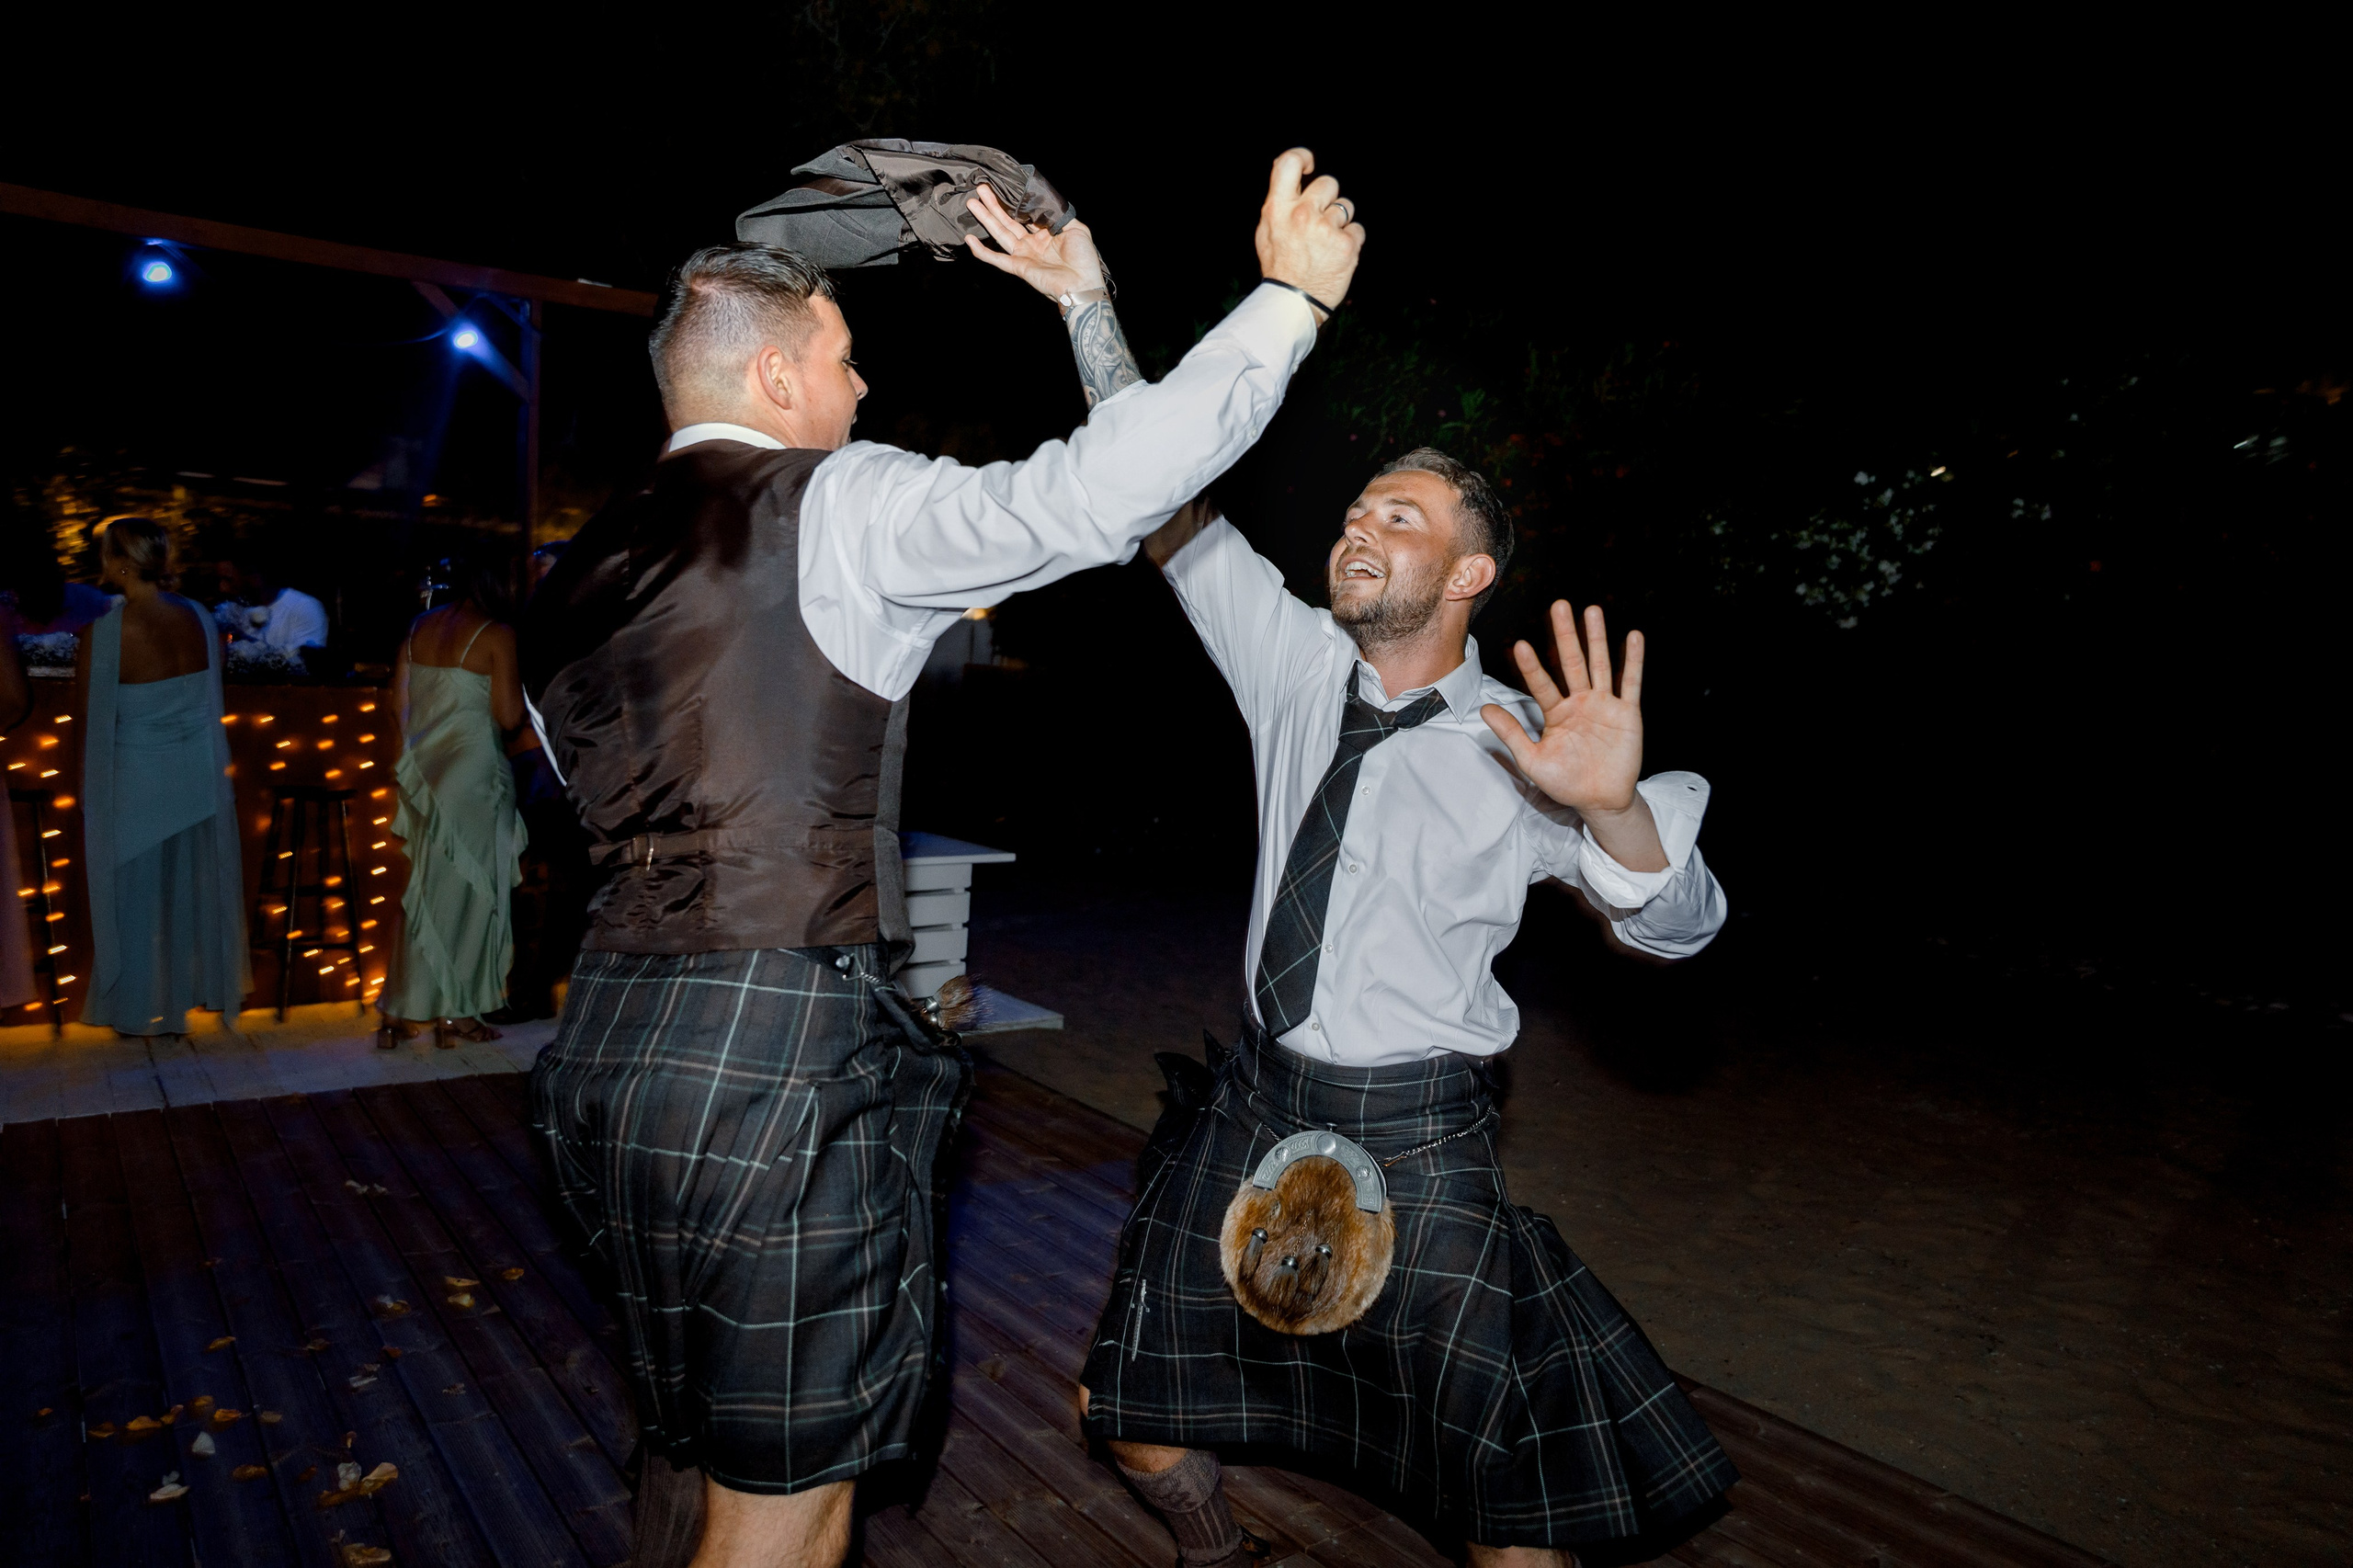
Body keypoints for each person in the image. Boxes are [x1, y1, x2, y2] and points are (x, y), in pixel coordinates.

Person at [525, 150, 1364, 1568]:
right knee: (778, 1504)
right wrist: (1287, 302)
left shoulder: (568, 581)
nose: (861, 395)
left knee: (695, 1453)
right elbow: (1095, 494)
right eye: (845, 363)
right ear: (781, 377)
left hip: (604, 1052)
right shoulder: (833, 501)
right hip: (774, 1052)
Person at [1077, 460, 1739, 1567]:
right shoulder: (1291, 661)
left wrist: (1615, 810)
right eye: (1351, 511)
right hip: (1256, 1101)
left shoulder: (1530, 741)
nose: (1356, 526)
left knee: (1510, 1522)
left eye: (1399, 515)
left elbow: (1674, 925)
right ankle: (1218, 1554)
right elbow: (1166, 486)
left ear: (1466, 571)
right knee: (1126, 1409)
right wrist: (1083, 302)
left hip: (1423, 1128)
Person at [74, 517, 250, 1039]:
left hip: (137, 775)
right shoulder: (198, 616)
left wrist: (83, 786)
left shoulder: (105, 633)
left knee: (131, 895)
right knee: (184, 893)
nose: (100, 563)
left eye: (105, 553)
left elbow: (87, 720)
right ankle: (178, 1002)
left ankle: (135, 1008)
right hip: (197, 774)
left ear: (123, 561)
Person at [377, 554, 529, 1048]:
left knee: (423, 891)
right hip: (474, 774)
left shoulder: (420, 627)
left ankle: (400, 1011)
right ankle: (456, 1013)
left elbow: (395, 703)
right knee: (470, 894)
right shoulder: (497, 634)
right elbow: (507, 717)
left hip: (423, 773)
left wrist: (413, 758)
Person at [216, 553, 329, 649]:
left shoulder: (304, 607)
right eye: (219, 580)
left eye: (229, 580)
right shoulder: (230, 611)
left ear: (253, 577)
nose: (222, 588)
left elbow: (302, 667)